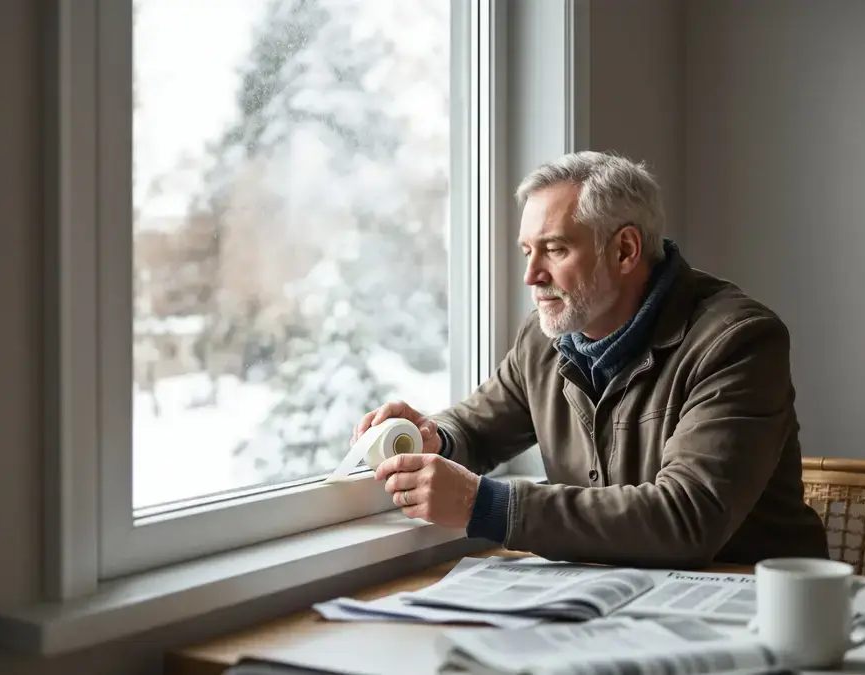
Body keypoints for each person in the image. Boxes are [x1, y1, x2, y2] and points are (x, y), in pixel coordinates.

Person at [352, 150, 829, 568]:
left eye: (554, 249)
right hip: (610, 602)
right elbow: (477, 428)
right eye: (527, 252)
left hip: (752, 610)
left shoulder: (737, 341)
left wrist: (486, 505)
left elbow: (687, 517)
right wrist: (433, 436)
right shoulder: (545, 338)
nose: (531, 276)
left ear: (624, 250)